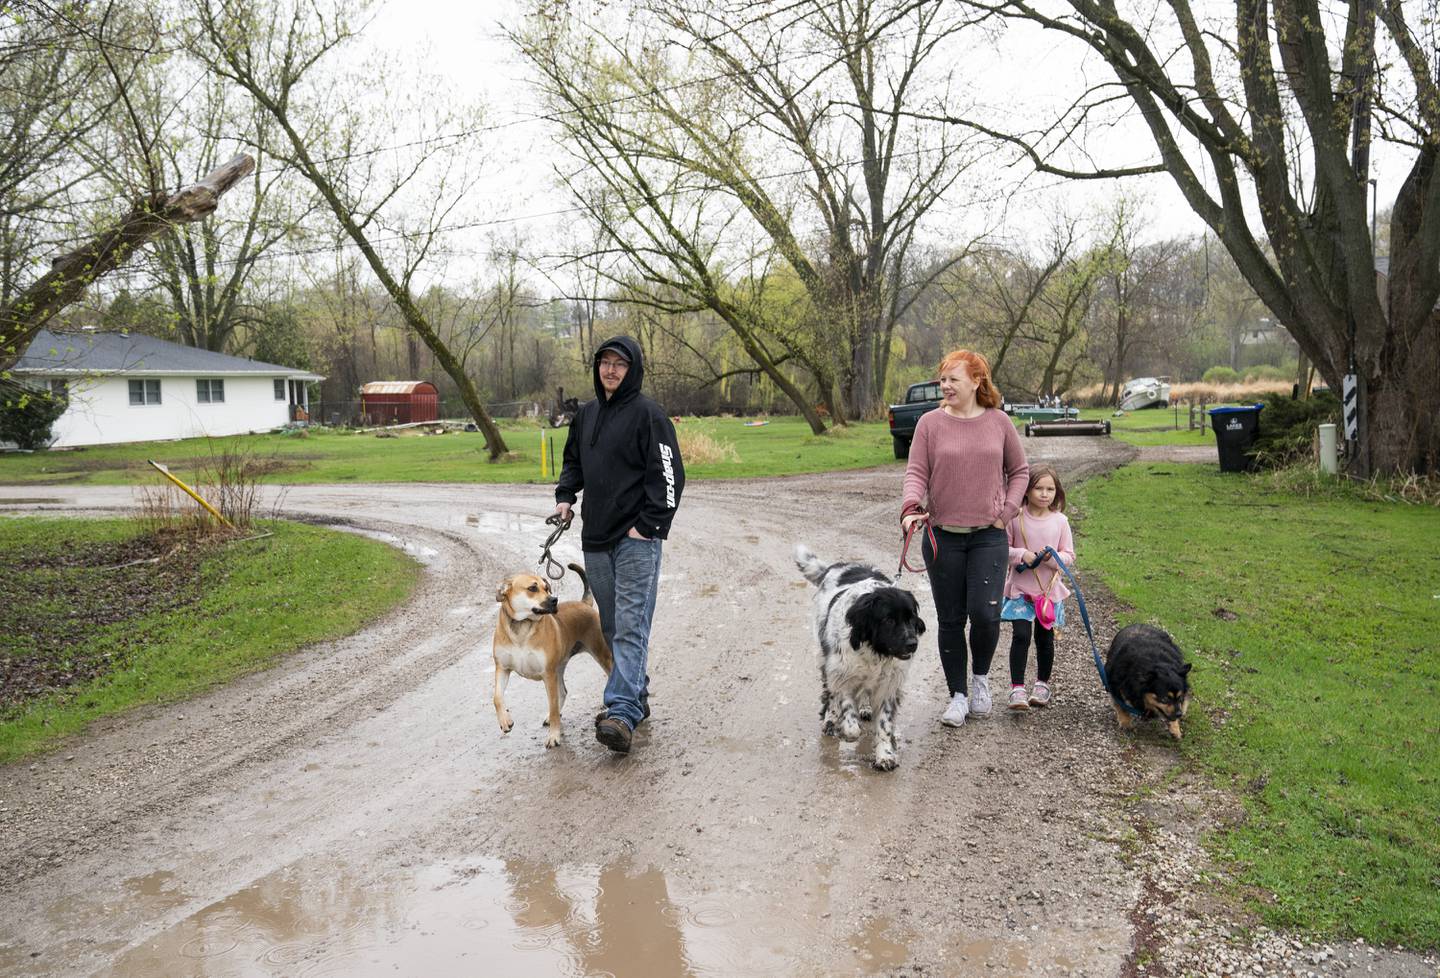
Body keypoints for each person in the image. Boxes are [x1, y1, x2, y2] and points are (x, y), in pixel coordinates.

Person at [553, 335, 685, 754]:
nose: (610, 370)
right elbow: (574, 460)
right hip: (595, 539)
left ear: (633, 370)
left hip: (636, 542)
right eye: (605, 363)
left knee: (630, 625)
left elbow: (669, 477)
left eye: (619, 364)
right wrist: (565, 497)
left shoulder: (650, 416)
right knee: (610, 626)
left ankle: (621, 711)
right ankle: (637, 697)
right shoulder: (586, 415)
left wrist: (648, 527)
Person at [901, 350, 1030, 727]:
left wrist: (1006, 512)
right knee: (951, 619)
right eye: (942, 379)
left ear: (976, 381)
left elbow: (1020, 471)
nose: (945, 385)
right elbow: (916, 472)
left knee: (986, 614)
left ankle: (980, 681)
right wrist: (911, 506)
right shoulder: (929, 423)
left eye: (953, 379)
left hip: (988, 537)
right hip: (943, 537)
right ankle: (957, 694)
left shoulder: (999, 422)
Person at [1001, 464, 1074, 710]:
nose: (1045, 494)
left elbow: (1069, 555)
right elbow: (1004, 550)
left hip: (1048, 593)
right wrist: (1022, 555)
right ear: (1026, 490)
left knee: (1045, 639)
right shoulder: (1015, 518)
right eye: (1039, 488)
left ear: (1057, 492)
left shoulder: (1061, 521)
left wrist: (1052, 558)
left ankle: (1042, 684)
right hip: (1021, 590)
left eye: (1050, 489)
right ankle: (1017, 689)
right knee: (1020, 636)